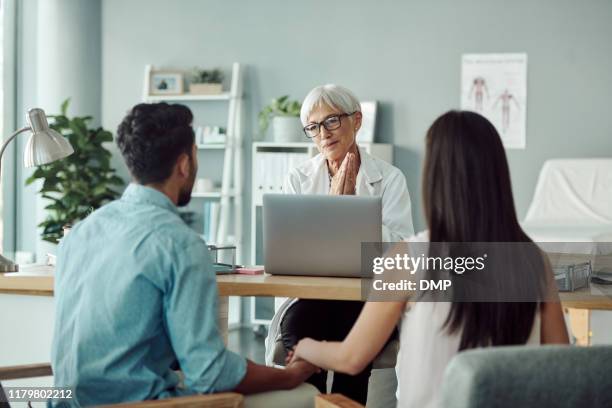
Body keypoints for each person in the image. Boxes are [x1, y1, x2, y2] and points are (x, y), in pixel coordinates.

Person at [289, 110, 569, 407]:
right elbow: (560, 368)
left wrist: (307, 347)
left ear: (435, 178)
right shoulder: (534, 262)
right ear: (499, 176)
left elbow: (351, 357)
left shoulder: (410, 258)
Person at [51, 103, 318, 407]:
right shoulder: (180, 244)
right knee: (306, 396)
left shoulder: (81, 232)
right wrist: (291, 374)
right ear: (184, 165)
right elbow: (210, 375)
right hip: (137, 403)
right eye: (196, 154)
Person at [265, 84, 414, 404]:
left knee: (354, 352)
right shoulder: (298, 178)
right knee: (299, 332)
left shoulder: (390, 179)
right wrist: (333, 210)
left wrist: (350, 212)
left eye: (332, 121)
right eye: (313, 127)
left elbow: (402, 248)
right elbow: (291, 247)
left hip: (367, 297)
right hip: (312, 296)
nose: (323, 133)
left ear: (356, 121)